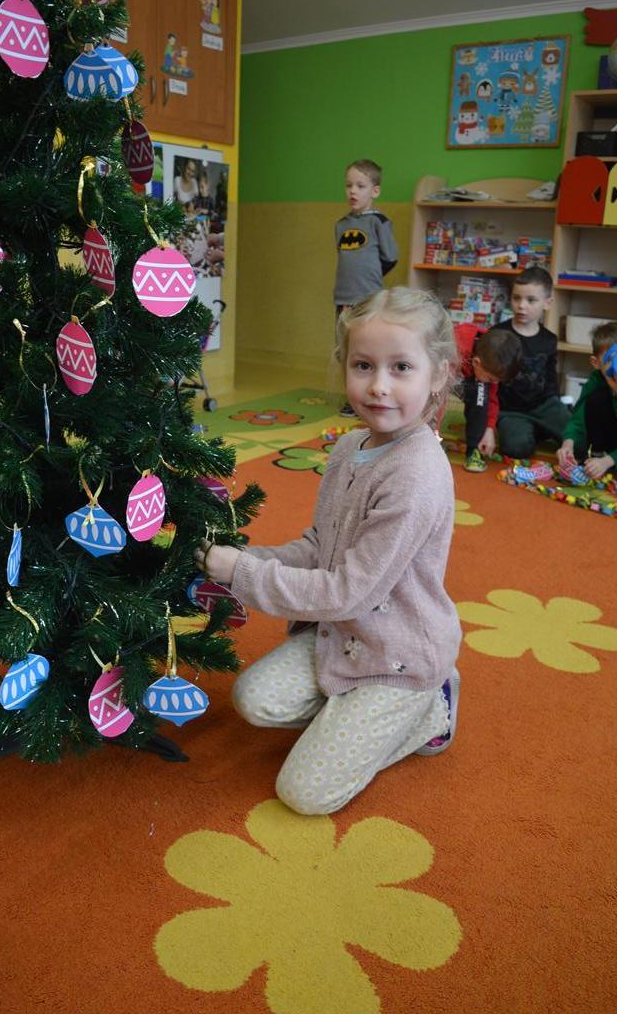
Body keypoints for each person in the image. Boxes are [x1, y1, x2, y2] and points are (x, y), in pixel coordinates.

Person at [194, 287, 461, 816]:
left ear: (438, 375)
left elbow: (347, 592)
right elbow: (321, 546)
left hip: (398, 655)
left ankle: (432, 706)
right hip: (342, 635)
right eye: (363, 365)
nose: (379, 385)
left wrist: (242, 573)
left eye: (401, 367)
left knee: (305, 793)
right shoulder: (347, 448)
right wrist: (248, 560)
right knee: (253, 699)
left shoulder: (416, 476)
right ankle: (357, 716)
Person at [334, 159, 398, 416]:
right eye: (349, 185)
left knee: (368, 349)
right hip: (342, 297)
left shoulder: (378, 222)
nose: (353, 191)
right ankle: (352, 396)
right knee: (345, 349)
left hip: (368, 298)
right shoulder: (341, 224)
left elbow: (390, 257)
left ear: (375, 191)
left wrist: (370, 281)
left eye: (360, 186)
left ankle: (369, 396)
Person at [490, 267, 570, 458]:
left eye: (531, 300)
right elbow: (489, 381)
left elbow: (551, 378)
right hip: (510, 410)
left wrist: (558, 409)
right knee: (517, 448)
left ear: (547, 303)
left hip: (544, 406)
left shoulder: (549, 339)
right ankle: (530, 430)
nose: (521, 306)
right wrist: (488, 423)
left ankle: (538, 427)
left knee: (579, 441)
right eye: (516, 298)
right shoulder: (498, 334)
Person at [454, 323, 523, 472]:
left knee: (480, 390)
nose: (494, 383)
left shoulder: (490, 360)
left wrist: (489, 428)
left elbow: (491, 397)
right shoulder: (456, 348)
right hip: (435, 373)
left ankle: (474, 451)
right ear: (476, 362)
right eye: (492, 379)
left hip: (465, 376)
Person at [556, 322, 617, 479]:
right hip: (611, 440)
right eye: (610, 358)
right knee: (596, 398)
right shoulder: (597, 380)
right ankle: (597, 456)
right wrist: (568, 444)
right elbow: (579, 418)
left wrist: (609, 461)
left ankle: (607, 461)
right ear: (596, 363)